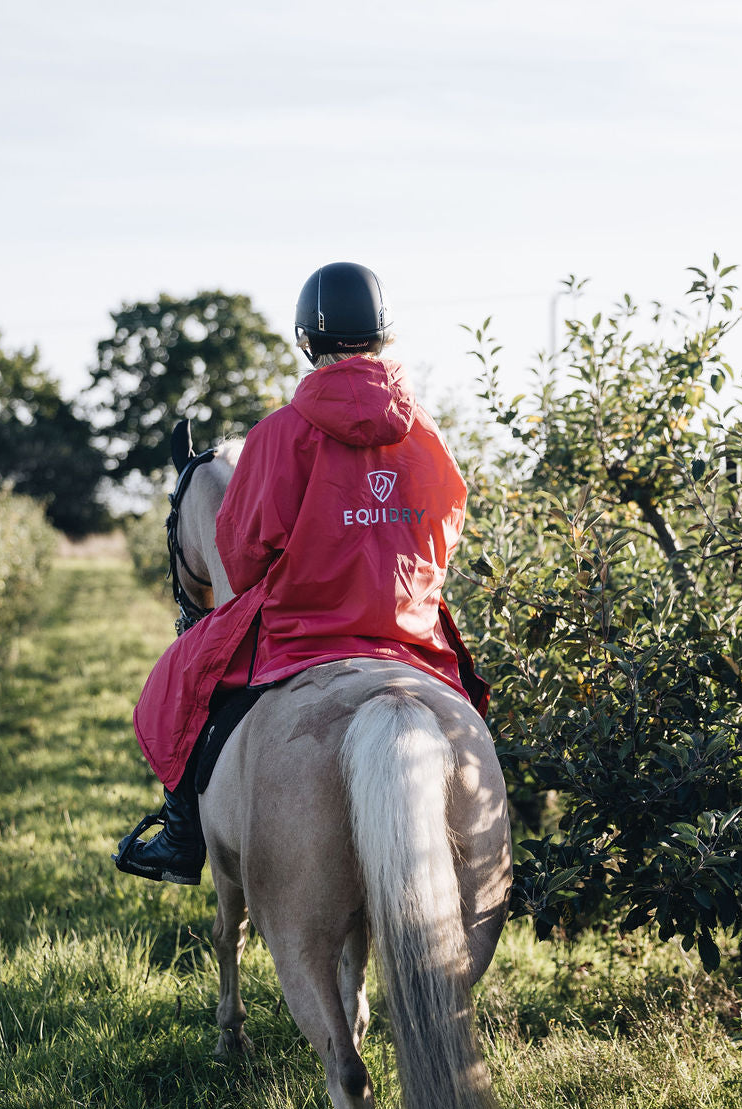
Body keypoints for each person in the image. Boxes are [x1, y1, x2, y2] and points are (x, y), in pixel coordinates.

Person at [114, 261, 488, 885]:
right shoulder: (427, 436)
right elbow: (444, 534)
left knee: (183, 681)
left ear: (306, 342)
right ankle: (499, 855)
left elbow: (238, 554)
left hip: (301, 634)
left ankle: (181, 838)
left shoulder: (277, 436)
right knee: (470, 713)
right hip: (406, 635)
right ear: (383, 336)